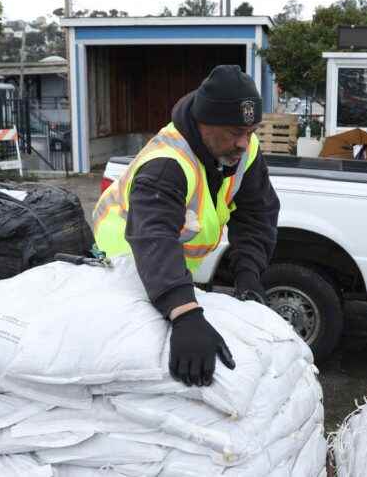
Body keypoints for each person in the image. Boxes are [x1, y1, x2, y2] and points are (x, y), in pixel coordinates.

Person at [92, 65, 280, 387]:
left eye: (251, 132)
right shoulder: (168, 163)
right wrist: (183, 312)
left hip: (168, 273)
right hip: (122, 268)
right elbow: (154, 236)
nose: (243, 143)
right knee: (125, 370)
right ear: (204, 124)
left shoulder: (243, 153)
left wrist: (248, 275)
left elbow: (256, 213)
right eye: (235, 132)